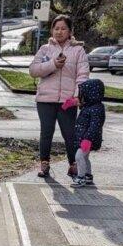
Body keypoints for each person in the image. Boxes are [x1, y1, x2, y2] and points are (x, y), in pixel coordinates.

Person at [28, 14, 90, 178]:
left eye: (63, 28)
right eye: (56, 28)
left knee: (70, 134)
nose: (59, 32)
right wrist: (53, 64)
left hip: (67, 101)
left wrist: (77, 96)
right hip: (45, 100)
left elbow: (82, 75)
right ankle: (44, 164)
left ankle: (73, 165)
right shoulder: (45, 49)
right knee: (46, 133)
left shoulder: (78, 50)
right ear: (52, 30)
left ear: (70, 31)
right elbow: (33, 70)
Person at [71, 78, 106, 187]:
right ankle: (88, 176)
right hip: (85, 138)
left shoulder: (96, 109)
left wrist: (87, 139)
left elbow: (95, 126)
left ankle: (81, 177)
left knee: (79, 156)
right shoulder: (89, 106)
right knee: (85, 158)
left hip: (88, 139)